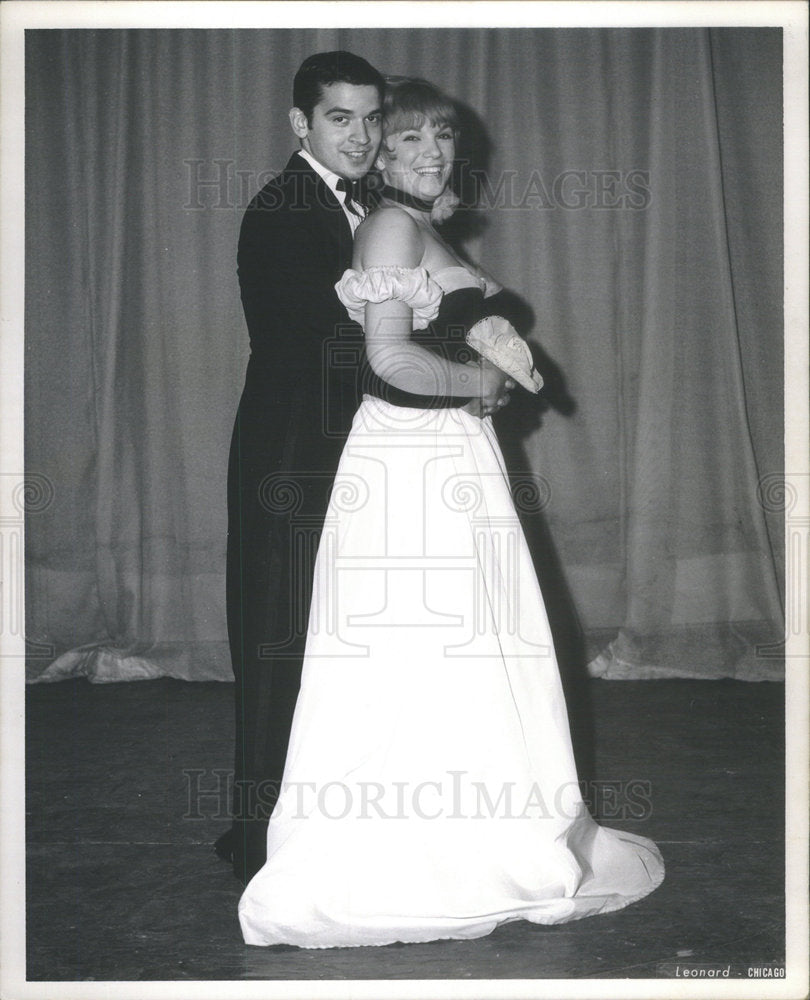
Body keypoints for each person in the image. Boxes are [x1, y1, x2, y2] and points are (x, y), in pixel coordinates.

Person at [238, 77, 664, 948]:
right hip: (412, 458)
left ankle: (474, 833)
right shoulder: (391, 226)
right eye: (409, 143)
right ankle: (427, 854)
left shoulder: (417, 224)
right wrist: (485, 381)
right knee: (430, 647)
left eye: (442, 139)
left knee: (469, 645)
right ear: (379, 158)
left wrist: (484, 362)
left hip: (443, 454)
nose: (433, 154)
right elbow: (389, 358)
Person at [218, 51, 386, 884]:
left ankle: (319, 823)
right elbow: (336, 343)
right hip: (288, 457)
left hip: (348, 449)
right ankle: (261, 841)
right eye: (339, 119)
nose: (360, 136)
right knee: (278, 643)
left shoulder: (372, 205)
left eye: (371, 117)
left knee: (338, 645)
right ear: (301, 125)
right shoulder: (282, 209)